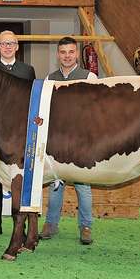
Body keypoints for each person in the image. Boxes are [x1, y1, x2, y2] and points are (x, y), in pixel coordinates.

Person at [40, 37, 97, 245]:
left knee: (83, 186)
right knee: (56, 184)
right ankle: (51, 224)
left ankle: (86, 226)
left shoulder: (89, 77)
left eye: (71, 52)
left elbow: (95, 110)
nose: (67, 56)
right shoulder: (49, 79)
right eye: (63, 52)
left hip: (81, 141)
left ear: (77, 53)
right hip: (56, 141)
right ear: (57, 54)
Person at [0, 33, 36, 241]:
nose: (8, 47)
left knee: (25, 181)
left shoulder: (27, 70)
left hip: (21, 136)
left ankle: (28, 225)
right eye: (4, 43)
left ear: (17, 46)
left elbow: (32, 101)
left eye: (11, 43)